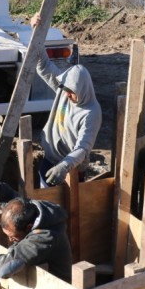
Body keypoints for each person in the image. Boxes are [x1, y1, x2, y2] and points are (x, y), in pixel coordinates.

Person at [30, 13, 102, 187]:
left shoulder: (91, 113)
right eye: (67, 91)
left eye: (72, 93)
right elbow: (43, 65)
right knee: (45, 203)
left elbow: (83, 148)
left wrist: (64, 166)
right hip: (50, 159)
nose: (68, 95)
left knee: (69, 210)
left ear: (83, 89)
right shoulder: (64, 90)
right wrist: (36, 33)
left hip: (72, 168)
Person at [0, 173, 72, 281]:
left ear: (29, 227)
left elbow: (5, 268)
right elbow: (9, 198)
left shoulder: (45, 237)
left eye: (13, 236)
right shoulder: (30, 209)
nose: (10, 240)